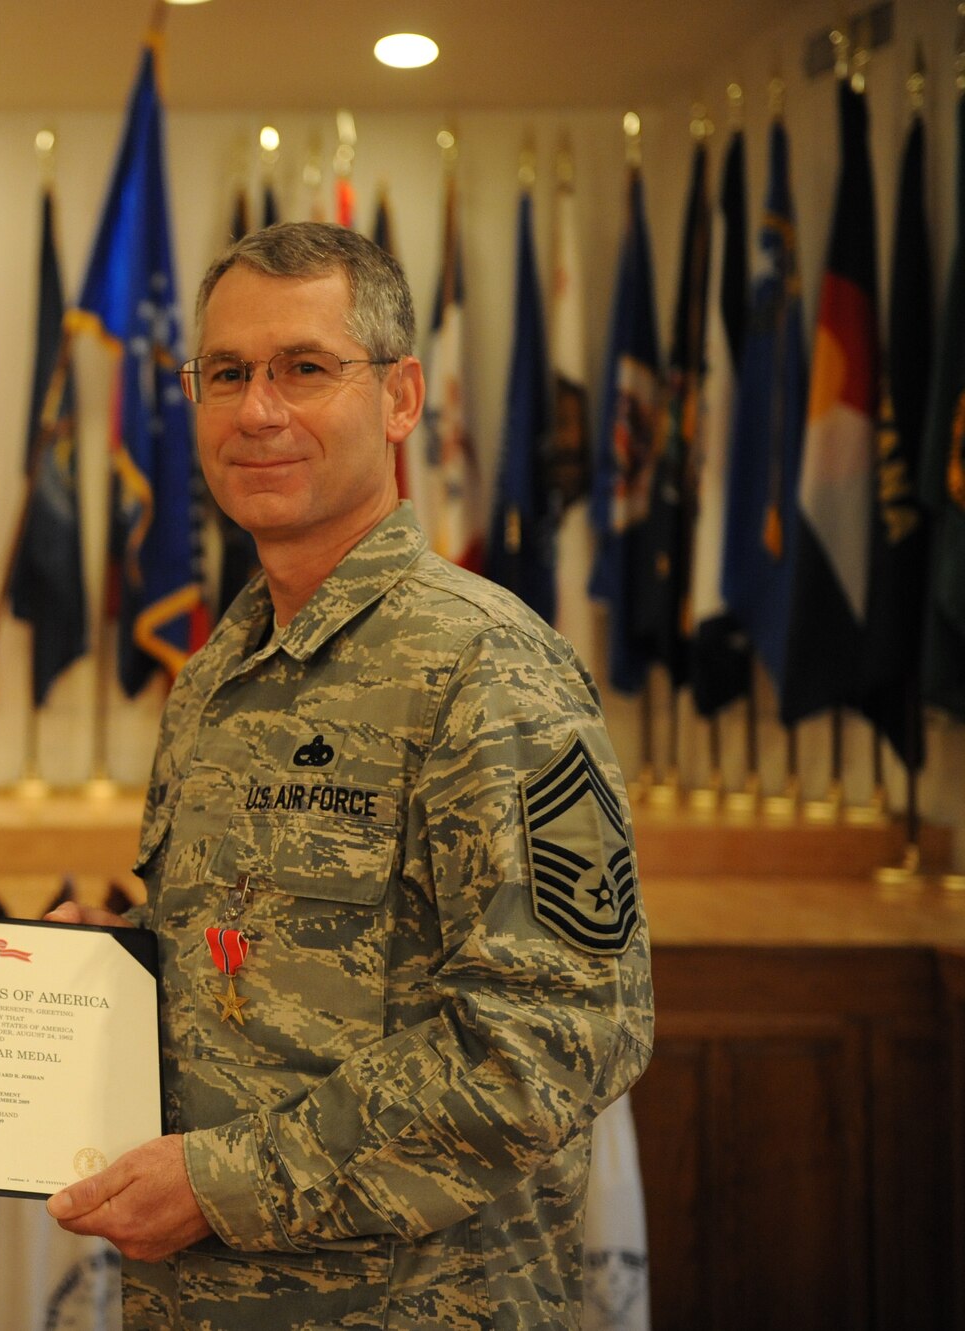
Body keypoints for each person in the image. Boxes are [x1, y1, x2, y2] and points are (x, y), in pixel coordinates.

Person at [45, 221, 654, 1328]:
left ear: (401, 396)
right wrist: (108, 964)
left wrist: (221, 1181)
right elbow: (257, 961)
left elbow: (556, 1036)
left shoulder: (484, 664)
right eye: (226, 373)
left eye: (304, 369)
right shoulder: (220, 670)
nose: (257, 410)